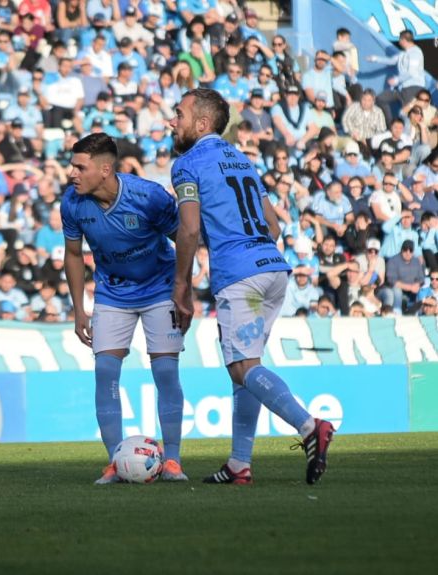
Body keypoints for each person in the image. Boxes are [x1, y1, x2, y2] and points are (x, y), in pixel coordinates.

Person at [169, 88, 335, 485]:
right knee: (246, 368)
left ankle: (309, 426)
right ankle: (239, 463)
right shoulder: (241, 160)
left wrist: (182, 286)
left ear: (202, 123)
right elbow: (274, 226)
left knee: (241, 366)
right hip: (273, 268)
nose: (172, 121)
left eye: (179, 114)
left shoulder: (187, 164)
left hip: (238, 274)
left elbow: (189, 228)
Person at [61, 133, 187, 484]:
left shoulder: (148, 196)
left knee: (164, 372)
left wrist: (183, 289)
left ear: (105, 169)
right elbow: (73, 255)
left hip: (160, 288)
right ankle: (116, 461)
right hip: (112, 293)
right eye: (72, 166)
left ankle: (173, 461)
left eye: (79, 167)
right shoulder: (72, 203)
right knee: (104, 371)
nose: (72, 174)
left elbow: (186, 240)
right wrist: (79, 309)